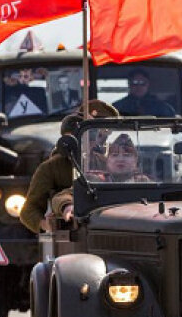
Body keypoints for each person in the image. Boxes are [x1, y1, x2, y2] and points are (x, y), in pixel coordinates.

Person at [19, 100, 119, 233]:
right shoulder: (52, 167)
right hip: (70, 232)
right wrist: (46, 225)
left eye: (98, 134)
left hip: (106, 226)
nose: (96, 138)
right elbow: (28, 211)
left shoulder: (108, 161)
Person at [112, 69, 177, 117]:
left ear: (148, 84)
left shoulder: (163, 108)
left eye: (142, 83)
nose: (138, 86)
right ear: (129, 84)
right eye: (135, 83)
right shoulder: (117, 107)